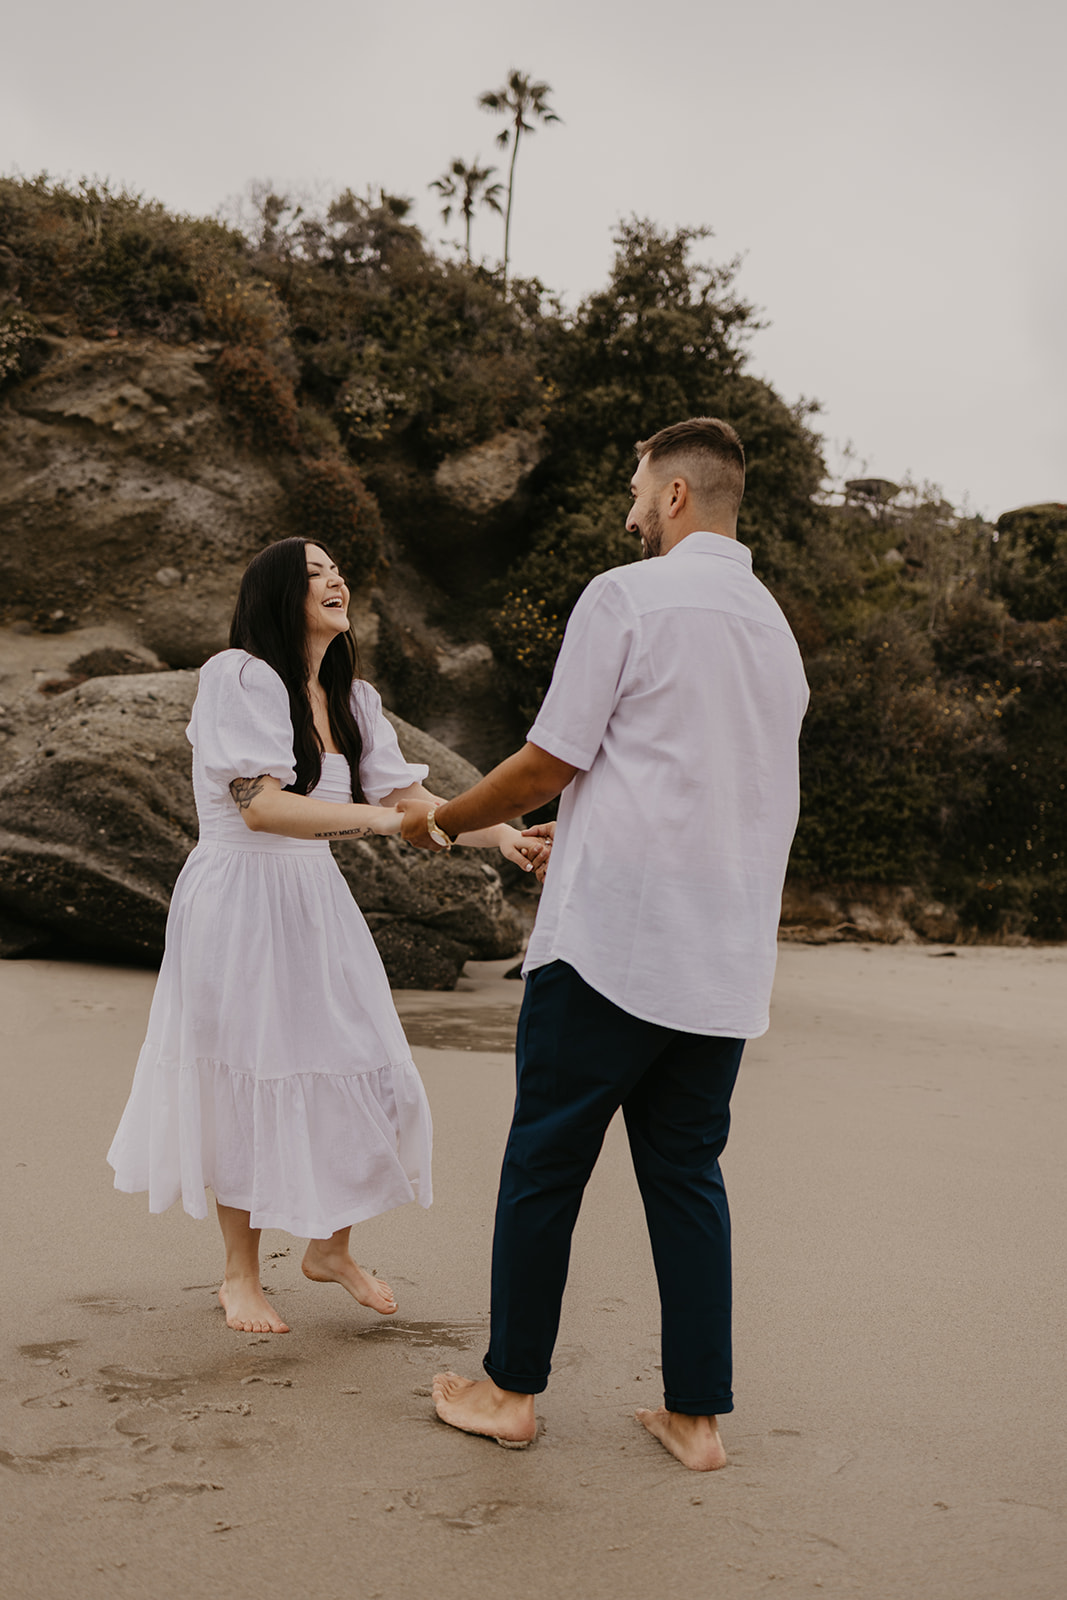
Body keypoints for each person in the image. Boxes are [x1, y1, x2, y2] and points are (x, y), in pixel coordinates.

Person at [398, 417, 809, 1470]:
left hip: (613, 946)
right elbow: (698, 786)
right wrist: (569, 842)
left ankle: (507, 1391)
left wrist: (445, 819)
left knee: (544, 1163)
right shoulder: (772, 631)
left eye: (635, 487)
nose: (627, 508)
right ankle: (695, 1415)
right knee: (684, 1174)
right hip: (720, 962)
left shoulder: (625, 596)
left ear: (674, 495)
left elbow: (547, 762)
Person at [108, 537, 538, 1335]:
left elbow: (415, 797)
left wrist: (504, 836)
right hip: (238, 900)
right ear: (277, 595)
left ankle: (329, 1248)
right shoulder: (237, 676)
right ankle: (240, 1275)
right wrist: (381, 822)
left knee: (366, 1065)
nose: (333, 577)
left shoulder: (352, 698)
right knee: (248, 1074)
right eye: (312, 572)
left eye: (335, 567)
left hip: (314, 901)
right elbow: (262, 807)